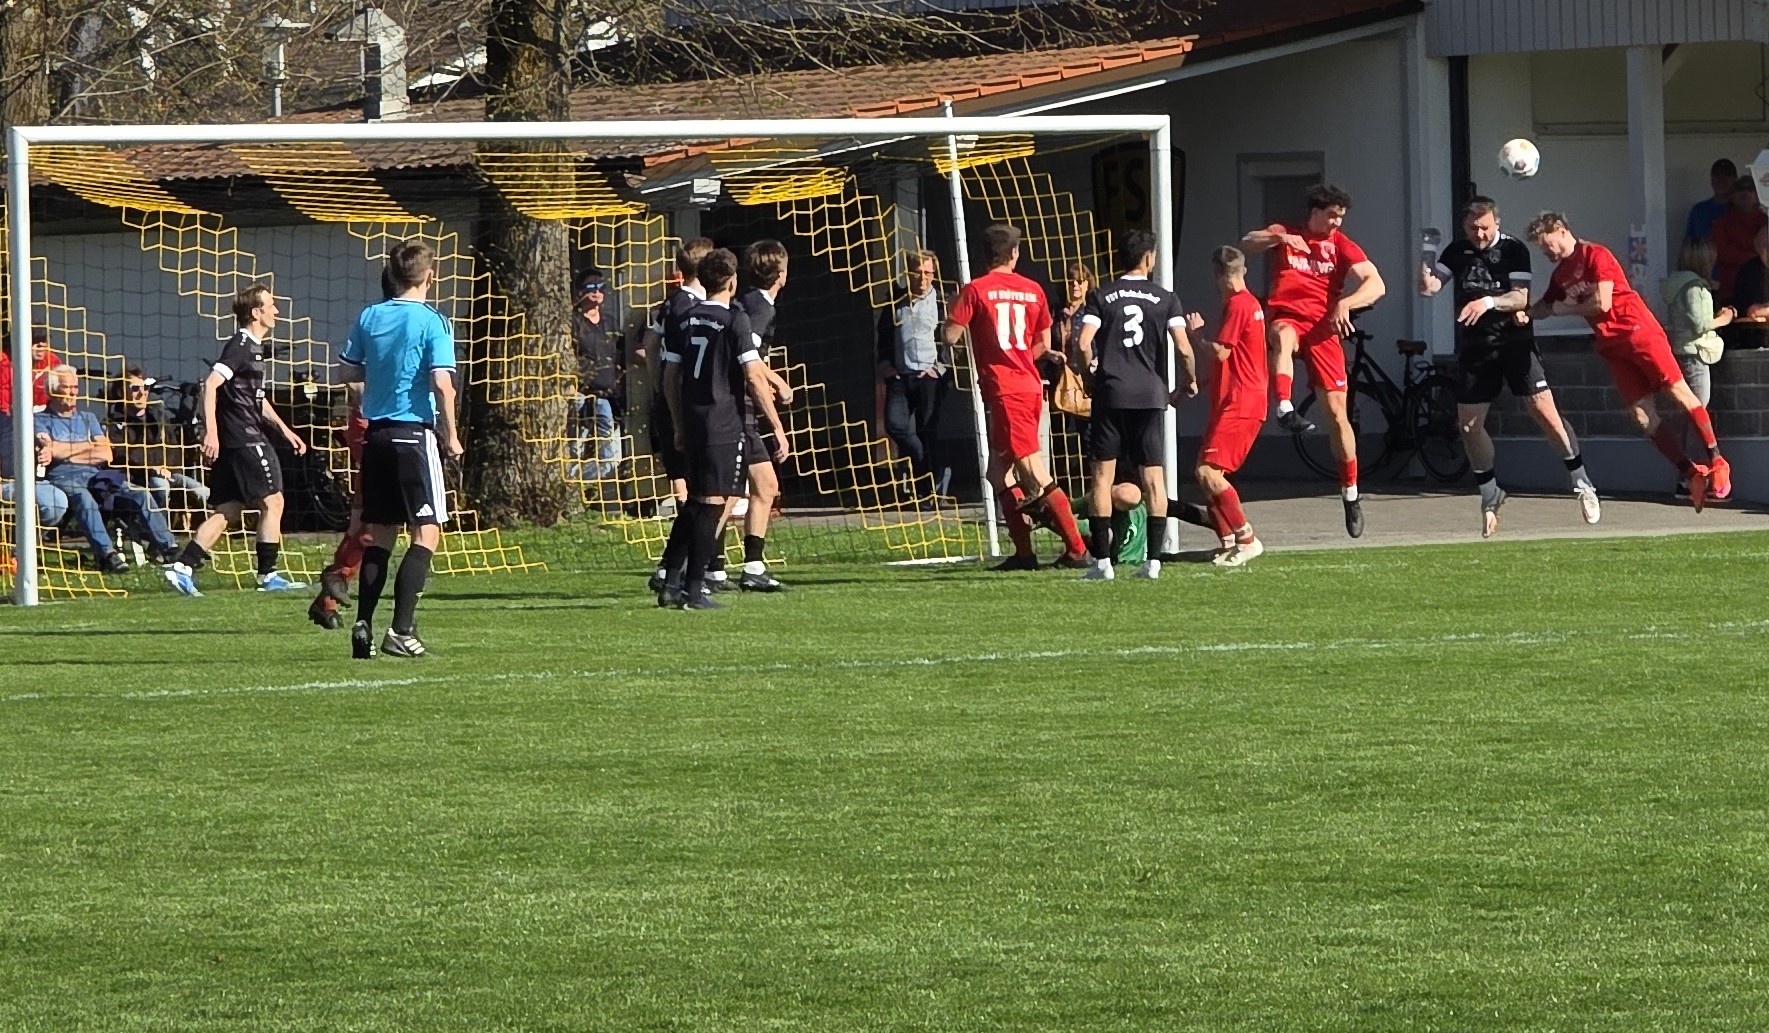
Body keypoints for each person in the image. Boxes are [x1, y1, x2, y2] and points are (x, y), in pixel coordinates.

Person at [1419, 197, 1600, 537]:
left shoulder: (1515, 249)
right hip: (1475, 347)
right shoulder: (1457, 252)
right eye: (1473, 228)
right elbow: (1428, 288)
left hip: (1514, 342)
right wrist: (1428, 250)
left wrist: (1487, 301)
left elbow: (1521, 298)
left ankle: (1580, 480)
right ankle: (1490, 492)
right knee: (1469, 426)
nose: (1479, 233)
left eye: (1485, 226)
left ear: (1496, 223)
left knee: (1544, 413)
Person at [1527, 212, 1730, 509]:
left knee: (1677, 392)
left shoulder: (1596, 254)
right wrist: (1522, 313)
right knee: (1641, 416)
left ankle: (1716, 459)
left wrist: (1561, 309)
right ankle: (1690, 473)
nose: (1546, 253)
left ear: (1560, 230)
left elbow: (1602, 302)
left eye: (1546, 245)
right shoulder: (1560, 276)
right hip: (1612, 347)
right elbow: (1545, 305)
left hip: (1638, 332)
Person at [336, 239, 462, 658]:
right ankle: (402, 630)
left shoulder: (370, 316)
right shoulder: (434, 321)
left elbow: (349, 371)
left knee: (382, 535)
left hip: (376, 436)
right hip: (413, 435)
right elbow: (442, 384)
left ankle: (362, 625)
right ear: (431, 275)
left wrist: (368, 399)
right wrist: (452, 434)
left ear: (392, 275)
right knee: (426, 532)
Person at [1240, 183, 1386, 538]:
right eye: (1332, 215)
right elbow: (1246, 244)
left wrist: (1346, 303)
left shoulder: (1341, 245)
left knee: (1337, 414)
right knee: (1281, 336)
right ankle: (1285, 407)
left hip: (1323, 328)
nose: (1337, 223)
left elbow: (1376, 283)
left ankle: (1350, 493)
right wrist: (1279, 240)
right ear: (1316, 212)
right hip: (1288, 315)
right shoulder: (1286, 232)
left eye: (1341, 217)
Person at [941, 222, 1089, 570]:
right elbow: (1041, 345)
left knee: (1034, 471)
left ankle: (1078, 548)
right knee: (997, 474)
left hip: (1006, 390)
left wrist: (952, 318)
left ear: (984, 255)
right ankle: (1024, 553)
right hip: (1027, 384)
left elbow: (950, 336)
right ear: (1015, 254)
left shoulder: (975, 290)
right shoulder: (1034, 290)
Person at [655, 247, 788, 610]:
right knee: (712, 505)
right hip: (724, 423)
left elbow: (669, 376)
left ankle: (669, 581)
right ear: (732, 282)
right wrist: (776, 426)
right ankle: (694, 589)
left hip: (693, 418)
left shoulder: (686, 317)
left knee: (697, 503)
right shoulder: (734, 319)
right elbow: (754, 378)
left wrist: (678, 421)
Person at [161, 283, 309, 597]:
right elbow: (210, 385)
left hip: (238, 441)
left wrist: (285, 430)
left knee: (227, 510)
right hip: (244, 440)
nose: (276, 311)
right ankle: (268, 575)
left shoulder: (253, 348)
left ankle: (183, 566)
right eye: (271, 305)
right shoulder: (241, 345)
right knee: (274, 501)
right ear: (256, 312)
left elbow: (256, 398)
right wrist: (211, 432)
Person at [1073, 230, 1196, 581]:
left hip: (1111, 394)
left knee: (1101, 477)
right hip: (1150, 395)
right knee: (1153, 477)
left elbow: (1083, 344)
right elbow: (1184, 348)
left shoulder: (1102, 295)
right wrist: (1188, 382)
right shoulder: (1165, 298)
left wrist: (1089, 376)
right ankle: (1153, 563)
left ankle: (1102, 565)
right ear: (1148, 258)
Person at [33, 365, 181, 572]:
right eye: (67, 388)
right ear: (52, 392)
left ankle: (169, 548)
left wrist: (65, 449)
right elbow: (50, 449)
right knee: (84, 499)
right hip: (63, 477)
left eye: (76, 387)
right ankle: (107, 555)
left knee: (140, 494)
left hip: (96, 474)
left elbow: (106, 454)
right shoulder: (39, 420)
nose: (74, 392)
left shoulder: (88, 418)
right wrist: (89, 447)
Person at [1190, 246, 1270, 568]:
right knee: (1204, 471)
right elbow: (1234, 359)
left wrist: (1196, 336)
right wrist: (1201, 384)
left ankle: (1247, 539)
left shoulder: (1239, 305)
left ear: (1220, 275)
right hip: (1234, 399)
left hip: (1242, 401)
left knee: (1210, 473)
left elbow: (1221, 352)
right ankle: (1227, 541)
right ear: (1243, 270)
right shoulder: (1244, 304)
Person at [642, 238, 713, 594]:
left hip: (668, 403)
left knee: (695, 491)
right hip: (688, 407)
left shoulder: (668, 303)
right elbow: (672, 361)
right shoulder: (695, 309)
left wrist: (657, 388)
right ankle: (679, 569)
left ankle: (681, 568)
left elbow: (650, 346)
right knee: (704, 492)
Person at [730, 239, 794, 592]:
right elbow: (749, 358)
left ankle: (749, 567)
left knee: (764, 487)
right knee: (723, 494)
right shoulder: (759, 307)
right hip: (740, 408)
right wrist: (778, 384)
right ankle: (701, 564)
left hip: (742, 405)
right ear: (781, 274)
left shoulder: (755, 302)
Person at [1662, 236, 1734, 497]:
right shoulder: (1694, 288)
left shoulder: (1677, 284)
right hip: (1695, 356)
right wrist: (1725, 317)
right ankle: (1693, 477)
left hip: (1681, 353)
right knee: (1696, 415)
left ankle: (1689, 475)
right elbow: (1701, 324)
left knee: (1688, 416)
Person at [877, 251, 952, 492]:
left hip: (930, 377)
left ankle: (929, 486)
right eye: (917, 273)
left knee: (928, 430)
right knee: (895, 425)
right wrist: (885, 364)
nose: (922, 279)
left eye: (928, 273)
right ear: (908, 273)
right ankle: (930, 470)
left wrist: (940, 368)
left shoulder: (941, 302)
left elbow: (955, 340)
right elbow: (884, 335)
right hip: (900, 376)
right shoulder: (894, 300)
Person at [109, 367, 210, 514]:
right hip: (135, 477)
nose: (142, 392)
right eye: (135, 388)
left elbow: (173, 449)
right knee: (160, 485)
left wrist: (166, 468)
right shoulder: (114, 423)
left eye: (145, 387)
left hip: (168, 473)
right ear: (121, 393)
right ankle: (159, 531)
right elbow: (120, 454)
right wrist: (152, 468)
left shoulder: (159, 417)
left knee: (202, 492)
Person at [570, 267, 623, 483]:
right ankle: (572, 493)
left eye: (601, 287)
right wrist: (571, 390)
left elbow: (619, 354)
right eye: (590, 287)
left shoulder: (610, 322)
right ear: (580, 292)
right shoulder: (572, 322)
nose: (596, 291)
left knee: (609, 458)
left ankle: (575, 484)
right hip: (579, 397)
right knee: (574, 451)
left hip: (606, 398)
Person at [1710, 175, 1765, 306]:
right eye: (1740, 189)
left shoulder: (1766, 221)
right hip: (1730, 292)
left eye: (1750, 189)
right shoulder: (1721, 223)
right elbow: (1723, 253)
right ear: (1732, 195)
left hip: (1763, 290)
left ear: (1758, 195)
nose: (1745, 192)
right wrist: (1756, 254)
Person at [1724, 225, 1769, 351]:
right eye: (1764, 246)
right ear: (1757, 248)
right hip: (1756, 340)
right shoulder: (1749, 271)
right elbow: (1752, 311)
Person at [0, 327, 60, 416]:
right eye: (37, 346)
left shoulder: (51, 361)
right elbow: (4, 394)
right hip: (10, 414)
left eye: (44, 346)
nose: (41, 350)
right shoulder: (4, 362)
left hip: (42, 413)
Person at [1685, 159, 1738, 243]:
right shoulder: (1699, 211)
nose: (1722, 180)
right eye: (1717, 175)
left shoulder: (1743, 210)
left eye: (1727, 175)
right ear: (1712, 180)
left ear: (1735, 180)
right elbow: (1688, 248)